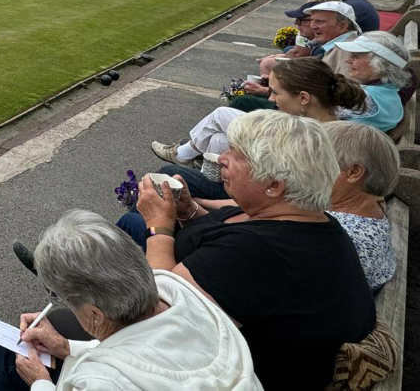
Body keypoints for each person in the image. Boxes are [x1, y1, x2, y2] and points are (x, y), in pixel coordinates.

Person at [125, 110, 376, 389]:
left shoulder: (259, 251)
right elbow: (224, 242)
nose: (222, 157)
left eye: (236, 153)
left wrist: (158, 227)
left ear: (273, 185)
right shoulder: (308, 218)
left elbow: (161, 313)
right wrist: (187, 211)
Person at [0, 210, 260, 391]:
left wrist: (40, 382)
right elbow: (148, 354)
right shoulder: (176, 289)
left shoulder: (101, 380)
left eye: (71, 303)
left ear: (95, 315)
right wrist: (66, 348)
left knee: (12, 362)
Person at [151, 58, 367, 187]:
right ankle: (193, 162)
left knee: (167, 174)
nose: (271, 99)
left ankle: (184, 156)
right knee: (217, 137)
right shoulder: (313, 123)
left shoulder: (310, 137)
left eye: (275, 93)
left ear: (303, 98)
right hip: (250, 187)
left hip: (254, 196)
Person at [322, 120, 399, 290]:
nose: (305, 170)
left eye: (316, 162)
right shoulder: (373, 207)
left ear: (353, 172)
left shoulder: (336, 236)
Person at [332, 31, 409, 132]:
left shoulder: (366, 98)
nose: (348, 60)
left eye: (355, 56)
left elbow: (322, 115)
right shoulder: (388, 90)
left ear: (380, 63)